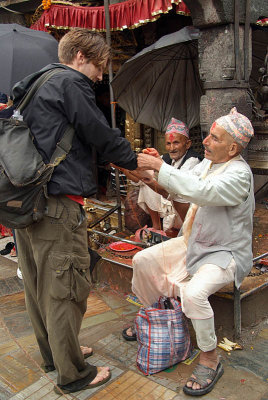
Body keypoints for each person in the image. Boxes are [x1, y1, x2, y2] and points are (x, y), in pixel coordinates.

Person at [12, 28, 137, 394]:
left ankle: (55, 354)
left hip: (29, 201)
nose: (100, 76)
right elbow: (96, 130)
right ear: (81, 56)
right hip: (57, 203)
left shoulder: (32, 85)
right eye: (100, 66)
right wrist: (133, 160)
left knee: (37, 284)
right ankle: (74, 374)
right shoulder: (69, 82)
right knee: (65, 287)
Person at [131, 107, 254, 396]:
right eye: (209, 135)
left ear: (233, 147)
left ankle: (210, 357)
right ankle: (157, 314)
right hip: (194, 243)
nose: (207, 142)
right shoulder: (208, 164)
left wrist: (159, 168)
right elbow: (182, 187)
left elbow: (200, 190)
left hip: (225, 254)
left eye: (215, 137)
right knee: (142, 260)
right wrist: (147, 166)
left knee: (194, 292)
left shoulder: (239, 175)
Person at [118, 118, 201, 232]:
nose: (171, 148)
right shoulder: (165, 158)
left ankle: (178, 229)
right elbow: (138, 180)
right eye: (168, 143)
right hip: (167, 198)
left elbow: (178, 188)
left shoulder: (193, 160)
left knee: (151, 179)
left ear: (187, 144)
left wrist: (152, 171)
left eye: (176, 143)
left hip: (184, 203)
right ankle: (156, 225)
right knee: (145, 182)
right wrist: (124, 167)